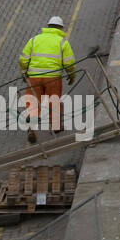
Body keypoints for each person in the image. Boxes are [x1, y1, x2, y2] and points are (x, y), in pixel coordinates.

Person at [18, 16, 76, 144]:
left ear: (48, 26)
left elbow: (23, 59)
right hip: (53, 78)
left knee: (33, 102)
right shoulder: (62, 42)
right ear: (61, 28)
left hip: (34, 77)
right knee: (53, 101)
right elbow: (69, 63)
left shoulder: (34, 40)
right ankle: (56, 127)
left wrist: (24, 73)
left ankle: (31, 126)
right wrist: (71, 75)